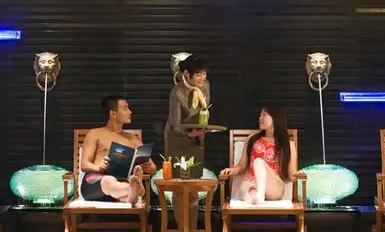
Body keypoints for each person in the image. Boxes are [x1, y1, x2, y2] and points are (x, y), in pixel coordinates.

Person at [80, 95, 157, 204]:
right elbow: (84, 165)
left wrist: (149, 168)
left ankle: (131, 195)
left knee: (124, 193)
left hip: (121, 182)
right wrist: (99, 167)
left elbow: (153, 167)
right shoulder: (95, 134)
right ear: (113, 114)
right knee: (109, 181)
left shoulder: (134, 139)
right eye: (125, 108)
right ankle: (136, 189)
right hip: (95, 182)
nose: (130, 112)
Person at [219, 106, 303, 204]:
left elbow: (291, 174)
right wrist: (231, 170)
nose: (260, 118)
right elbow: (242, 166)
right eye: (260, 115)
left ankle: (259, 195)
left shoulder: (288, 144)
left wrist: (296, 174)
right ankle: (257, 198)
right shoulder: (252, 139)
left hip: (274, 187)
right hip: (251, 182)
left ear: (275, 118)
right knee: (247, 191)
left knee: (258, 162)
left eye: (264, 115)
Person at [164, 54, 209, 230]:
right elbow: (175, 125)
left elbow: (204, 111)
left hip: (196, 139)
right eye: (198, 74)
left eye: (204, 74)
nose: (202, 78)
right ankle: (183, 229)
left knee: (194, 188)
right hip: (177, 140)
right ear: (187, 74)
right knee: (179, 189)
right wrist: (190, 133)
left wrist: (201, 130)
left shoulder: (205, 86)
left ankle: (193, 229)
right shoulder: (177, 93)